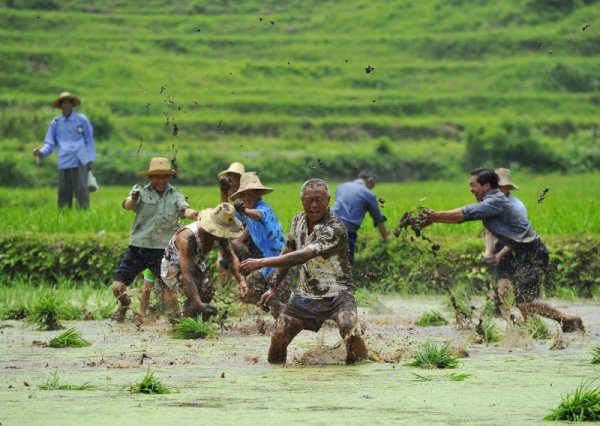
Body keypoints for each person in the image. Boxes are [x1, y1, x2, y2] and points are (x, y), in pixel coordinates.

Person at [419, 167, 584, 332]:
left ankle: (569, 320)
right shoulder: (489, 202)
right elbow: (463, 219)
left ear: (487, 186)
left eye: (473, 185)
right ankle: (530, 334)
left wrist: (435, 216)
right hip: (520, 252)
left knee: (526, 301)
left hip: (531, 252)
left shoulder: (495, 201)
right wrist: (435, 218)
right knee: (524, 302)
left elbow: (465, 213)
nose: (471, 189)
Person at [240, 178, 368, 364]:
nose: (314, 205)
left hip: (338, 294)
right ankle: (276, 373)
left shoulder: (335, 228)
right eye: (309, 200)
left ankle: (362, 365)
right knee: (279, 335)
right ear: (302, 200)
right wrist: (273, 287)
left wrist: (261, 262)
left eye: (319, 200)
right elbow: (289, 251)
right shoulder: (298, 220)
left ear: (328, 200)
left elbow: (302, 256)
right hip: (307, 294)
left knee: (349, 328)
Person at [110, 157, 199, 322]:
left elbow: (184, 208)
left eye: (164, 176)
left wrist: (193, 213)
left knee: (170, 294)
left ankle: (178, 322)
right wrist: (133, 199)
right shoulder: (139, 192)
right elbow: (128, 205)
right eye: (157, 177)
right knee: (118, 287)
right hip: (138, 247)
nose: (160, 180)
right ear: (150, 178)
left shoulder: (175, 194)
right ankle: (124, 306)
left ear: (169, 177)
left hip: (163, 251)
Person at [160, 203, 248, 318]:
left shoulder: (219, 235)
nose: (224, 235)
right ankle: (185, 321)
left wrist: (241, 280)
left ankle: (193, 319)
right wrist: (198, 303)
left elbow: (231, 257)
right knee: (196, 299)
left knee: (207, 292)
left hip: (197, 261)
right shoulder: (188, 238)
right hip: (174, 268)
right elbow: (187, 274)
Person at [230, 172, 293, 318]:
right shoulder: (245, 212)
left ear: (257, 193)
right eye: (242, 195)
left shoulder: (264, 209)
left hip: (283, 263)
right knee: (244, 294)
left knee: (278, 304)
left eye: (248, 194)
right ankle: (268, 304)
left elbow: (258, 215)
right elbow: (228, 215)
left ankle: (292, 325)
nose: (244, 198)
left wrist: (244, 210)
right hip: (266, 264)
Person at [33, 92, 95, 209]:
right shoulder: (56, 122)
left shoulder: (82, 120)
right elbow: (50, 143)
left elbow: (89, 140)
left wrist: (91, 160)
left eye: (68, 102)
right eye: (63, 102)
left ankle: (84, 215)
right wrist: (41, 152)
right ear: (60, 105)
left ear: (72, 104)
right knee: (63, 192)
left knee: (81, 191)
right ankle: (64, 215)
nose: (66, 104)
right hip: (64, 160)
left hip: (80, 159)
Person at [482, 168, 527, 319]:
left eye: (499, 187)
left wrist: (500, 255)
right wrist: (488, 252)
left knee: (524, 293)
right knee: (502, 287)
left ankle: (529, 323)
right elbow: (489, 231)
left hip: (521, 247)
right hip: (502, 245)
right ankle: (507, 321)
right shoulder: (490, 205)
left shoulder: (517, 207)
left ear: (506, 188)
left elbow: (518, 237)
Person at [332, 170, 388, 264]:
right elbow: (379, 219)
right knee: (346, 264)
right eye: (372, 186)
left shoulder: (341, 187)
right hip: (346, 231)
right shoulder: (368, 195)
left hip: (327, 224)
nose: (371, 189)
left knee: (327, 260)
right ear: (370, 181)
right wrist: (386, 239)